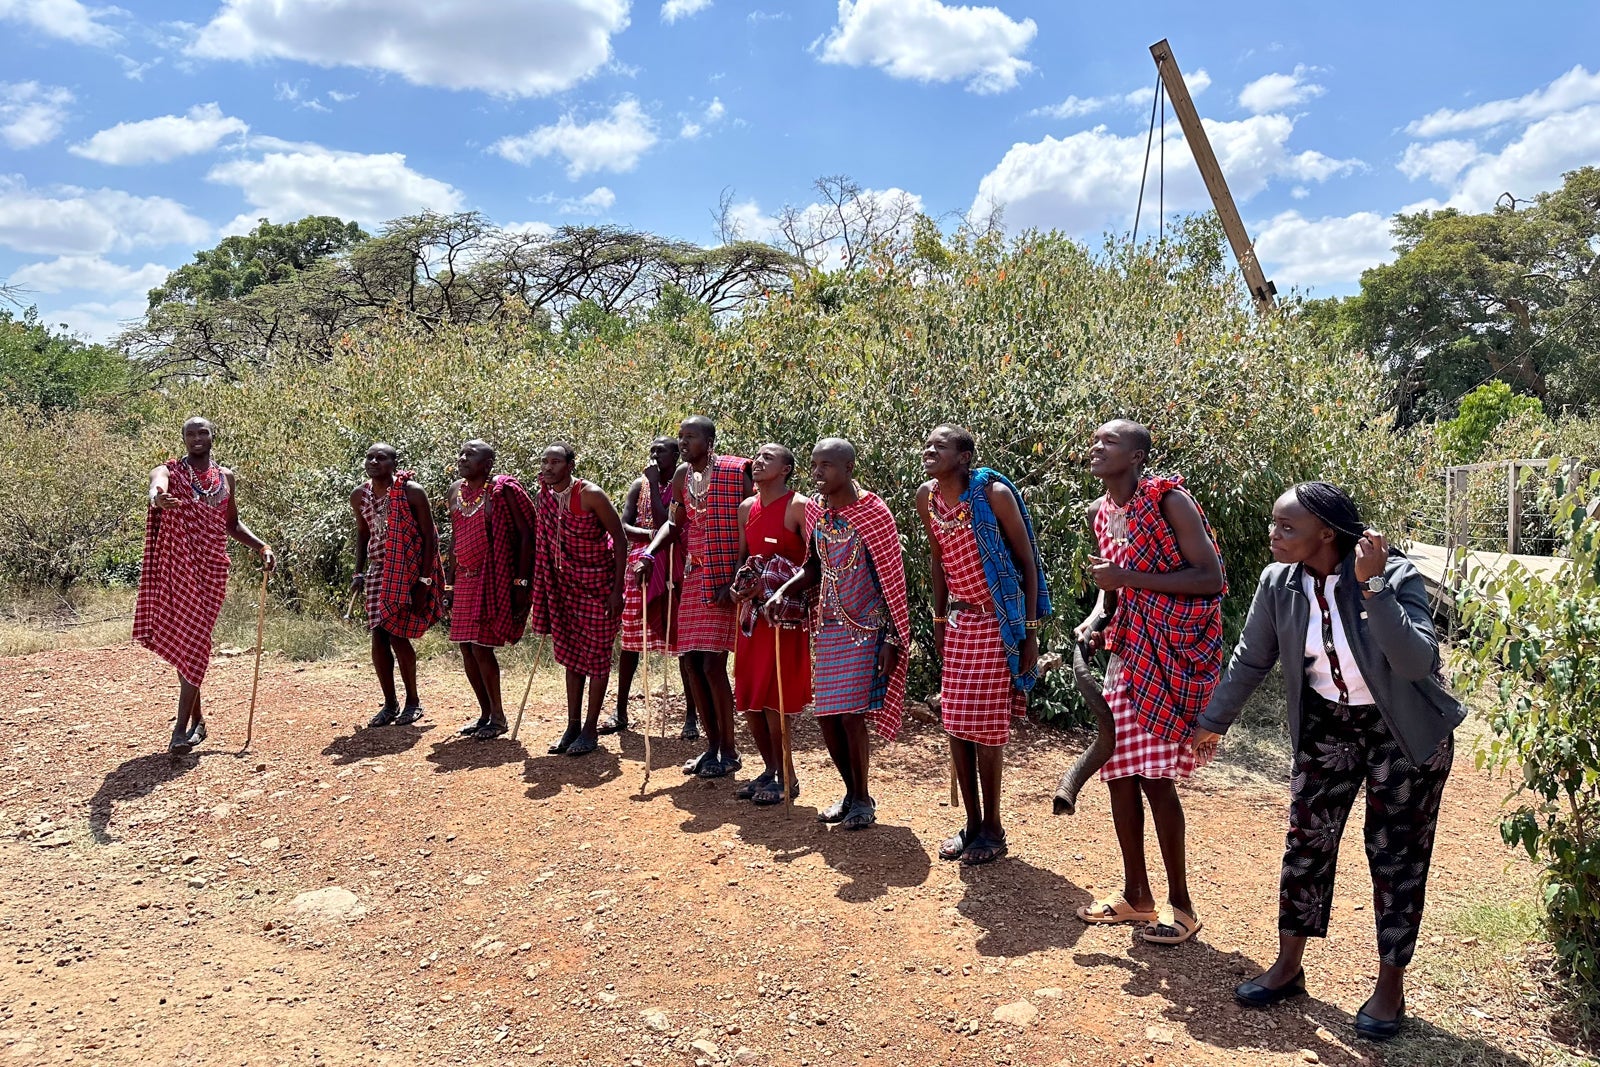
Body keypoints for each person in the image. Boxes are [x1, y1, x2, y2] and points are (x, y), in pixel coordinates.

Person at [1192, 482, 1463, 1041]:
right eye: (1274, 523)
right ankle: (1288, 966)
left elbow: (1415, 662)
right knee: (1306, 842)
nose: (1273, 535)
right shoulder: (1279, 583)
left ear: (1326, 534)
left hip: (1403, 729)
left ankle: (1390, 988)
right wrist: (1214, 719)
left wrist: (1373, 587)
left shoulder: (1395, 575)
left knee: (1396, 855)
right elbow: (1251, 657)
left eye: (1286, 527)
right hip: (1328, 725)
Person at [1074, 419, 1225, 946]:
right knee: (1117, 773)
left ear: (1137, 456)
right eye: (1095, 440)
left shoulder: (1170, 502)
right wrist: (1096, 621)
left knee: (1156, 780)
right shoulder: (1100, 513)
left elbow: (1210, 578)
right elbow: (1112, 593)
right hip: (1128, 652)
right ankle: (1136, 895)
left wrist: (1126, 580)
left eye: (1110, 441)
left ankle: (1182, 905)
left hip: (1169, 655)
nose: (1097, 447)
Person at [916, 425, 1050, 865]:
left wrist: (1030, 632)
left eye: (940, 446)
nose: (929, 450)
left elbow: (1027, 561)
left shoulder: (994, 495)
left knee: (988, 727)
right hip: (960, 621)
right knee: (956, 723)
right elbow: (938, 560)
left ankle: (993, 828)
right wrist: (938, 619)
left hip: (999, 622)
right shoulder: (927, 498)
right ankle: (971, 824)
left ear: (964, 457)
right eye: (927, 444)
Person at [767, 438, 910, 831]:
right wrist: (783, 591)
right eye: (814, 464)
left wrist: (892, 639)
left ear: (848, 469)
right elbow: (813, 566)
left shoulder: (873, 512)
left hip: (867, 626)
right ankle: (850, 793)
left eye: (826, 465)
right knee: (827, 717)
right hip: (829, 625)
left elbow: (892, 581)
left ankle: (863, 798)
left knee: (850, 716)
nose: (817, 472)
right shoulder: (816, 510)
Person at [135, 417, 276, 754]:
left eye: (203, 432)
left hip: (212, 570)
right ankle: (181, 730)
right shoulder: (169, 471)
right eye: (190, 433)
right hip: (179, 567)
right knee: (193, 642)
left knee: (194, 642)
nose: (196, 438)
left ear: (212, 436)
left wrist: (262, 547)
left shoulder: (225, 477)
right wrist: (158, 498)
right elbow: (156, 486)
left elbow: (232, 523)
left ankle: (196, 722)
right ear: (183, 438)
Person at [638, 416, 751, 779]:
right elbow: (674, 524)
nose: (684, 442)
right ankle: (711, 746)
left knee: (712, 664)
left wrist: (737, 577)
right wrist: (649, 554)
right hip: (694, 575)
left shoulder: (735, 472)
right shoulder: (682, 477)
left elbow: (753, 521)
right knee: (689, 662)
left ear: (710, 441)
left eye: (691, 437)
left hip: (724, 580)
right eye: (681, 437)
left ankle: (729, 751)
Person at [528, 443, 629, 757]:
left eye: (555, 461)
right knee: (572, 658)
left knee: (597, 659)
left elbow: (620, 539)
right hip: (564, 589)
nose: (548, 467)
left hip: (599, 587)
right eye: (544, 461)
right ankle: (572, 725)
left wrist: (617, 591)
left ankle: (590, 729)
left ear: (570, 465)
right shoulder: (544, 497)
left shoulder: (591, 495)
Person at [731, 443, 812, 806]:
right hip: (752, 617)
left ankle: (787, 776)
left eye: (768, 457)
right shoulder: (746, 508)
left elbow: (814, 563)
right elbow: (744, 559)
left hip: (784, 617)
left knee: (775, 698)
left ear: (786, 469)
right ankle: (769, 769)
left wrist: (779, 588)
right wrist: (739, 587)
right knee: (750, 697)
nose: (758, 461)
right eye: (757, 456)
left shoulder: (799, 506)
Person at [602, 437, 699, 739]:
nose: (655, 455)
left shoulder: (686, 485)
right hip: (641, 565)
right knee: (631, 640)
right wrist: (652, 536)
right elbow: (623, 526)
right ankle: (620, 711)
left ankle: (692, 717)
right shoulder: (639, 485)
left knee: (681, 642)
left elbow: (667, 521)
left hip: (674, 565)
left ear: (676, 455)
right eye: (652, 450)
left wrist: (656, 487)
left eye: (661, 450)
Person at [444, 439, 535, 741]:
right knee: (465, 646)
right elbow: (455, 537)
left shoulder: (502, 490)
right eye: (461, 453)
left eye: (470, 455)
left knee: (482, 646)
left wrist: (521, 582)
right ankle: (484, 714)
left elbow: (526, 534)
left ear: (488, 464)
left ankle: (498, 717)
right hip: (465, 577)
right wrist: (449, 582)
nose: (462, 458)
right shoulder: (455, 491)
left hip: (493, 575)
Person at [350, 443, 442, 728]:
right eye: (369, 457)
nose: (373, 462)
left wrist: (424, 581)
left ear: (394, 463)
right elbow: (363, 533)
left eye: (381, 458)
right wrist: (358, 572)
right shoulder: (359, 495)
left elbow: (430, 537)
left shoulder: (411, 492)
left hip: (407, 569)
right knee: (378, 634)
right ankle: (390, 704)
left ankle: (413, 701)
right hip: (378, 570)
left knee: (397, 634)